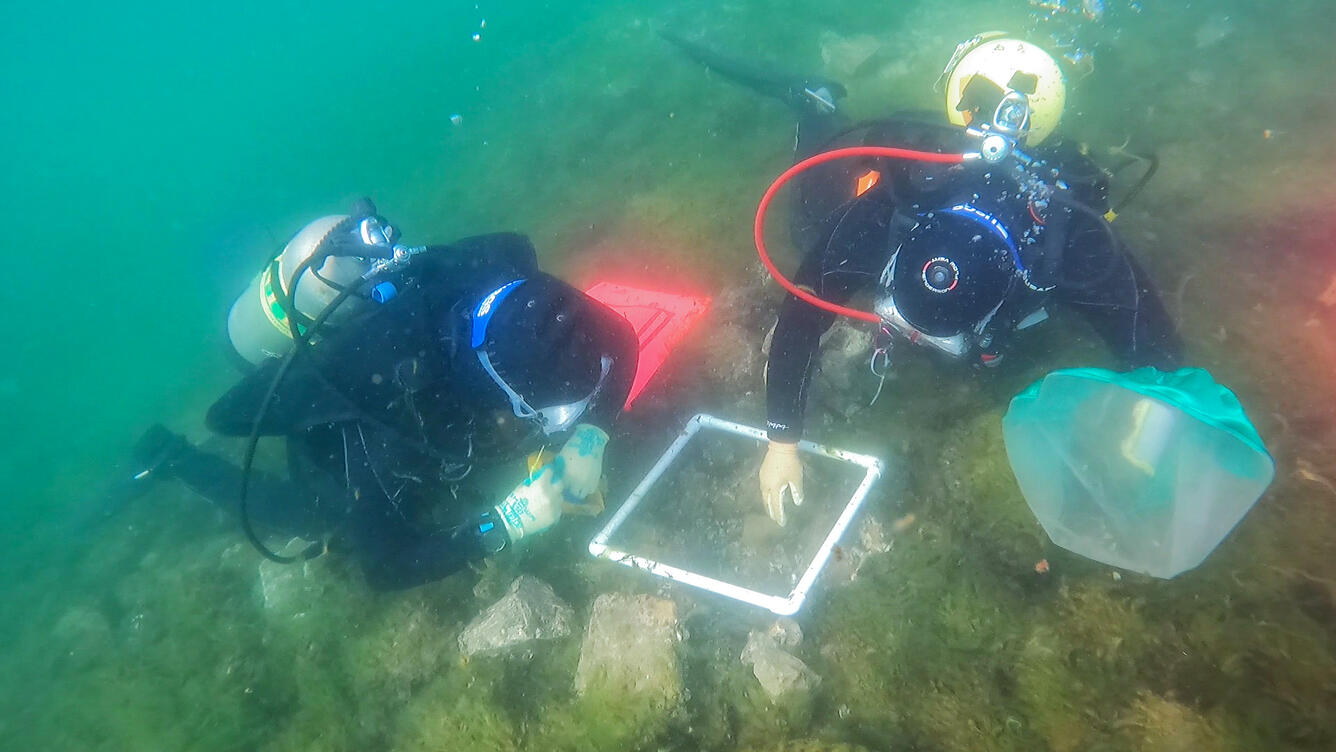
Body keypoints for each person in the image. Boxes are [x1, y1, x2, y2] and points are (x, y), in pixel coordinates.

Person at [663, 32, 1182, 526]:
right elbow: (801, 311)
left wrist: (1150, 418)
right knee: (811, 230)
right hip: (918, 201)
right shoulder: (896, 203)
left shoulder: (1064, 242)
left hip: (1019, 251)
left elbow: (1150, 339)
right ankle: (816, 102)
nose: (919, 339)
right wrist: (781, 440)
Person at [124, 203, 638, 589]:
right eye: (554, 410)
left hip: (429, 381)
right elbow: (385, 564)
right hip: (349, 410)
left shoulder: (486, 271)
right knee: (316, 517)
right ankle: (170, 458)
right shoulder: (372, 414)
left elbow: (618, 335)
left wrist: (590, 439)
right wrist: (505, 524)